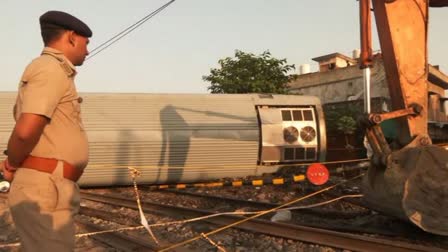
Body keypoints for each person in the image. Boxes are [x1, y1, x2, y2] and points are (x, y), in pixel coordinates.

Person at [0, 10, 92, 251]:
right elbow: (26, 130)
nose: (88, 50)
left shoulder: (55, 70)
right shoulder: (49, 68)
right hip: (44, 187)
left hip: (52, 186)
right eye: (86, 42)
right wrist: (11, 165)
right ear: (71, 37)